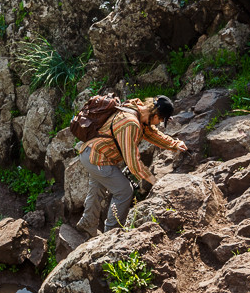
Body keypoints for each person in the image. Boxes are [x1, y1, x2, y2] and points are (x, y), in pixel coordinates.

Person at [75, 95, 187, 236]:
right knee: (124, 191)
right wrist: (151, 179)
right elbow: (132, 161)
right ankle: (111, 234)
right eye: (159, 120)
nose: (158, 124)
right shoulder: (131, 123)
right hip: (97, 158)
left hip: (91, 153)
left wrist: (175, 144)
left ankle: (87, 224)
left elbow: (152, 134)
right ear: (155, 114)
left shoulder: (136, 108)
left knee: (98, 187)